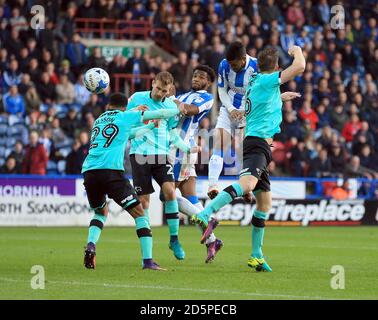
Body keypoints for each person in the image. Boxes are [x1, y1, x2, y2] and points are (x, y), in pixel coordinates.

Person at [192, 46, 305, 272]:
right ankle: (205, 213)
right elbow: (300, 66)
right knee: (247, 186)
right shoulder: (265, 81)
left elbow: (257, 106)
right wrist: (297, 50)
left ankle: (256, 255)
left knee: (264, 203)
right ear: (275, 68)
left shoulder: (254, 85)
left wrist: (281, 97)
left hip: (257, 143)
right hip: (258, 144)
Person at [81, 92, 179, 271]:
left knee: (101, 211)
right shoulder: (125, 116)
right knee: (140, 214)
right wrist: (174, 109)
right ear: (124, 106)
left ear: (108, 105)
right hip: (110, 172)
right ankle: (148, 261)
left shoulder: (99, 120)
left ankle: (91, 245)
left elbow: (130, 134)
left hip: (89, 171)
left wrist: (148, 127)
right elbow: (161, 114)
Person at [126, 71, 187, 261]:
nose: (160, 93)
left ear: (169, 91)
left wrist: (186, 147)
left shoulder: (169, 105)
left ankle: (174, 239)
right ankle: (147, 246)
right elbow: (125, 124)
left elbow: (171, 132)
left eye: (164, 91)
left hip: (161, 155)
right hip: (140, 155)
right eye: (158, 88)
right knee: (144, 202)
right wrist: (137, 114)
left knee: (170, 191)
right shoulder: (137, 98)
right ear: (153, 83)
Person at [168, 65, 223, 263]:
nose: (196, 78)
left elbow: (190, 111)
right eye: (195, 75)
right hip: (181, 148)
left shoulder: (206, 99)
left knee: (167, 195)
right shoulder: (182, 95)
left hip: (180, 152)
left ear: (208, 83)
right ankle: (212, 241)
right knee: (191, 199)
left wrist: (170, 100)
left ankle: (207, 221)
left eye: (201, 77)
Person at [207, 41, 258, 201]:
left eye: (234, 64)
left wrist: (245, 112)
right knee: (219, 144)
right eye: (230, 63)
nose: (232, 67)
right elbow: (221, 89)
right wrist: (231, 109)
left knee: (246, 151)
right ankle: (213, 186)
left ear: (243, 59)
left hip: (249, 113)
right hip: (229, 109)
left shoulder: (257, 66)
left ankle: (246, 187)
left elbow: (261, 93)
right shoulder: (224, 65)